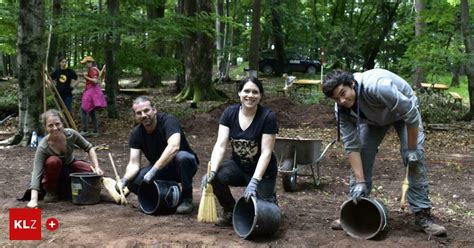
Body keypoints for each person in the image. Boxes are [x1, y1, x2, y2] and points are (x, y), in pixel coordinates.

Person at [322, 69, 447, 236]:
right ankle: (355, 210)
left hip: (403, 115)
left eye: (343, 93)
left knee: (413, 159)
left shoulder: (379, 87)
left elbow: (410, 114)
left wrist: (411, 149)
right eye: (336, 98)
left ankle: (422, 216)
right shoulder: (341, 109)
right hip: (373, 121)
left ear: (352, 84)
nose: (342, 100)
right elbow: (352, 146)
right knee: (363, 155)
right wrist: (360, 181)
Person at [202, 76, 279, 226]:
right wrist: (212, 169)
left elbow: (266, 153)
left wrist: (255, 181)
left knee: (265, 215)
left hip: (263, 172)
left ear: (261, 96)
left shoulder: (268, 117)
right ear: (239, 93)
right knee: (216, 177)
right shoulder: (229, 114)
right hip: (238, 166)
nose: (250, 95)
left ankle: (269, 197)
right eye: (246, 91)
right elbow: (220, 145)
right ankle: (230, 210)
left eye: (255, 92)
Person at [117, 96, 199, 214]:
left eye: (146, 110)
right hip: (161, 170)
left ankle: (187, 198)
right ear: (135, 116)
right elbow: (133, 163)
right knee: (133, 183)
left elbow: (174, 147)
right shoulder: (136, 133)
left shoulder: (168, 121)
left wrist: (153, 171)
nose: (143, 115)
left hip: (182, 166)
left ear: (154, 110)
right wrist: (124, 180)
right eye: (139, 113)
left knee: (183, 157)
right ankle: (158, 197)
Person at [26, 109, 104, 208]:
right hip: (52, 174)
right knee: (53, 161)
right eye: (50, 125)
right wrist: (33, 200)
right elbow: (36, 172)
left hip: (70, 166)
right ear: (45, 127)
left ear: (62, 123)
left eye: (57, 124)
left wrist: (97, 167)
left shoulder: (71, 134)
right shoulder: (43, 147)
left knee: (90, 170)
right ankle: (51, 192)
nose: (55, 128)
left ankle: (98, 189)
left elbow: (89, 148)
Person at [79, 55, 107, 138]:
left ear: (90, 62)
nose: (86, 65)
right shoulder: (92, 70)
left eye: (86, 63)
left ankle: (85, 130)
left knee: (83, 109)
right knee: (91, 111)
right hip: (92, 91)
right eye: (85, 63)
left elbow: (95, 81)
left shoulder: (93, 70)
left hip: (92, 92)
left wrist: (85, 76)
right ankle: (95, 131)